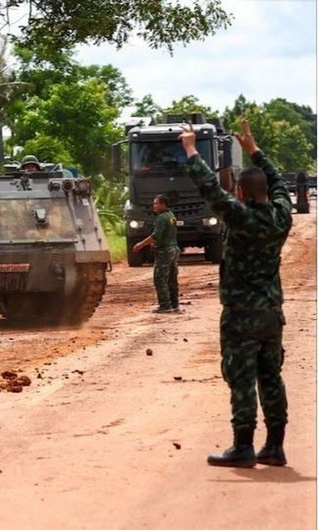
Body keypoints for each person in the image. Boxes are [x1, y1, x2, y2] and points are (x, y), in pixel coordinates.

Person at [179, 119, 291, 468]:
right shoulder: (281, 217)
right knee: (270, 376)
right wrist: (255, 152)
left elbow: (211, 189)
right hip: (271, 314)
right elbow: (280, 185)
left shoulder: (241, 218)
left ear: (240, 193)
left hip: (241, 315)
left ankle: (243, 446)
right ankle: (274, 445)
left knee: (241, 377)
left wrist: (191, 149)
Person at [132, 194, 181, 313]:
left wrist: (141, 244)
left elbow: (156, 236)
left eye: (156, 203)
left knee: (160, 278)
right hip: (174, 249)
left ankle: (165, 305)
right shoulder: (171, 215)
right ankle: (174, 304)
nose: (154, 206)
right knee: (171, 278)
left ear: (163, 204)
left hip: (164, 250)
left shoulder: (162, 218)